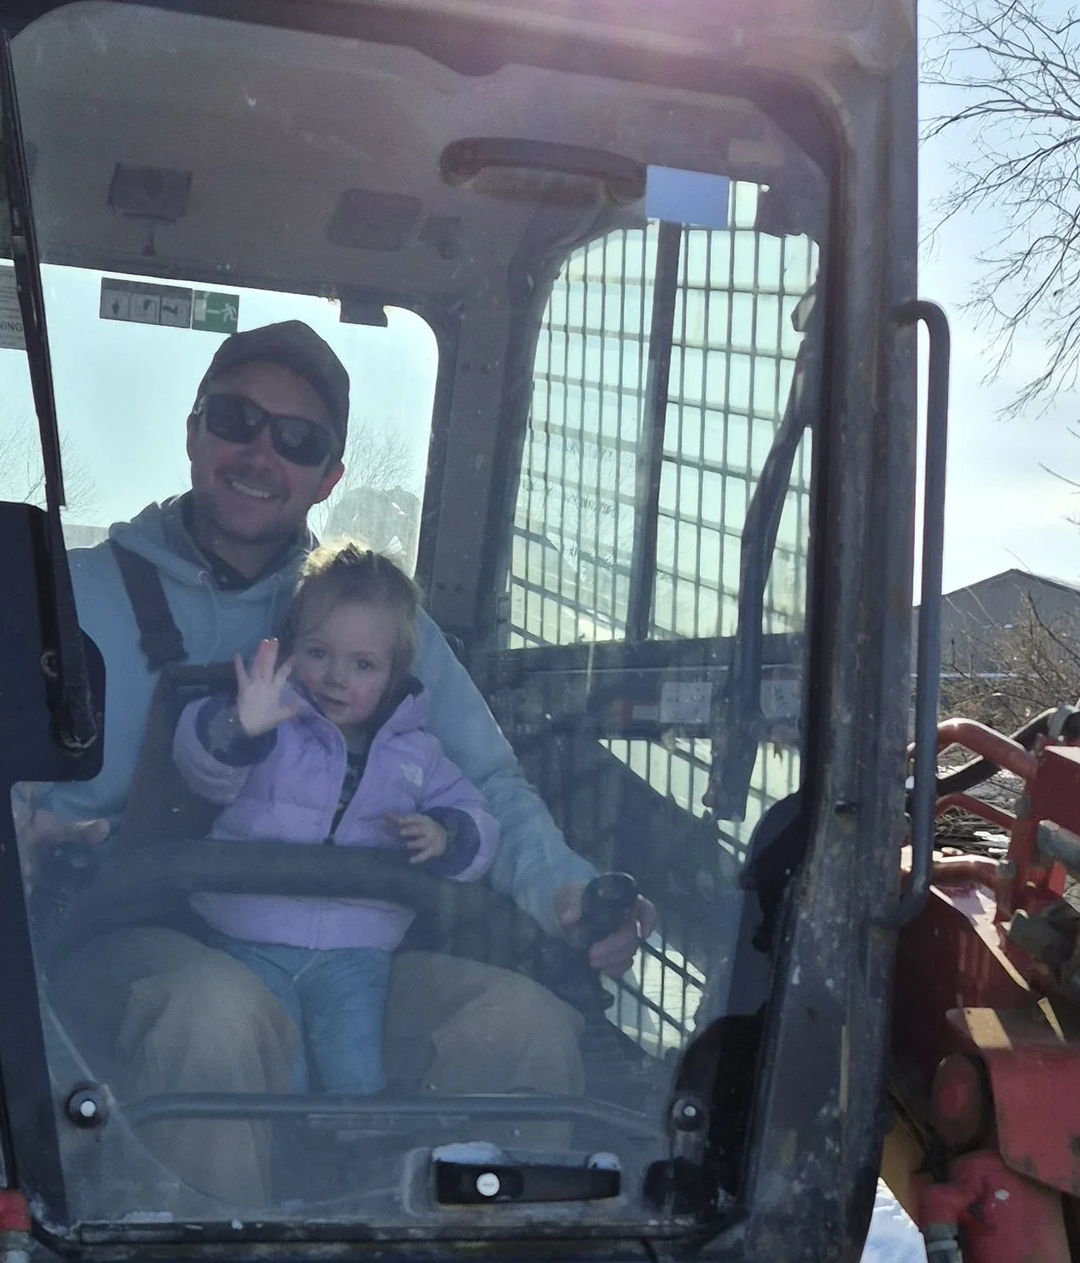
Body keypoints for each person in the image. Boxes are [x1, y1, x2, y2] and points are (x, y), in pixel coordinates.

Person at [48, 319, 654, 1206]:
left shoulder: (384, 631)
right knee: (213, 1015)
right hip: (126, 940)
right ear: (193, 430)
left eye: (298, 440)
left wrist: (566, 890)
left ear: (329, 475)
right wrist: (33, 833)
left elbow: (486, 784)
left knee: (520, 1024)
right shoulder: (71, 596)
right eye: (236, 420)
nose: (262, 453)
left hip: (345, 953)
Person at [174, 542, 497, 1096]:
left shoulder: (416, 753)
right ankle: (284, 1150)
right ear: (291, 648)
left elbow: (479, 819)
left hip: (357, 952)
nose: (336, 677)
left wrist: (446, 835)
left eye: (363, 665)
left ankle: (354, 1147)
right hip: (250, 937)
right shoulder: (270, 724)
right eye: (319, 653)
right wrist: (239, 726)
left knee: (356, 1076)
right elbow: (202, 768)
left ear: (394, 675)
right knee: (280, 1072)